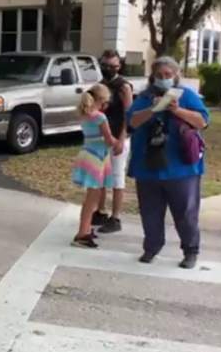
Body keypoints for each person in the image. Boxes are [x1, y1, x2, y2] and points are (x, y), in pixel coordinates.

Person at [127, 57, 209, 268]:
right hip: (148, 166)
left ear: (175, 75)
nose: (164, 79)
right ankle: (152, 247)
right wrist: (152, 110)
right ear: (152, 76)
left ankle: (190, 250)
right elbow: (131, 122)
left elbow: (202, 121)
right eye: (159, 75)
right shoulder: (145, 97)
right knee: (150, 212)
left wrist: (176, 110)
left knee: (185, 213)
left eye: (168, 75)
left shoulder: (186, 95)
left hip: (181, 167)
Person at [71, 84, 118, 249]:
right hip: (96, 158)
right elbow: (108, 139)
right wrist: (119, 142)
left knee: (92, 197)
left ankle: (86, 228)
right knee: (92, 198)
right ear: (101, 100)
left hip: (88, 154)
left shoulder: (85, 115)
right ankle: (82, 233)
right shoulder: (100, 117)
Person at [94, 49, 133, 234]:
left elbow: (129, 114)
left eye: (112, 66)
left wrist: (122, 138)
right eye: (105, 65)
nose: (108, 69)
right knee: (100, 176)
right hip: (102, 136)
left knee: (117, 178)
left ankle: (116, 217)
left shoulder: (123, 86)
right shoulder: (100, 85)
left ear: (119, 66)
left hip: (118, 136)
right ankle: (100, 210)